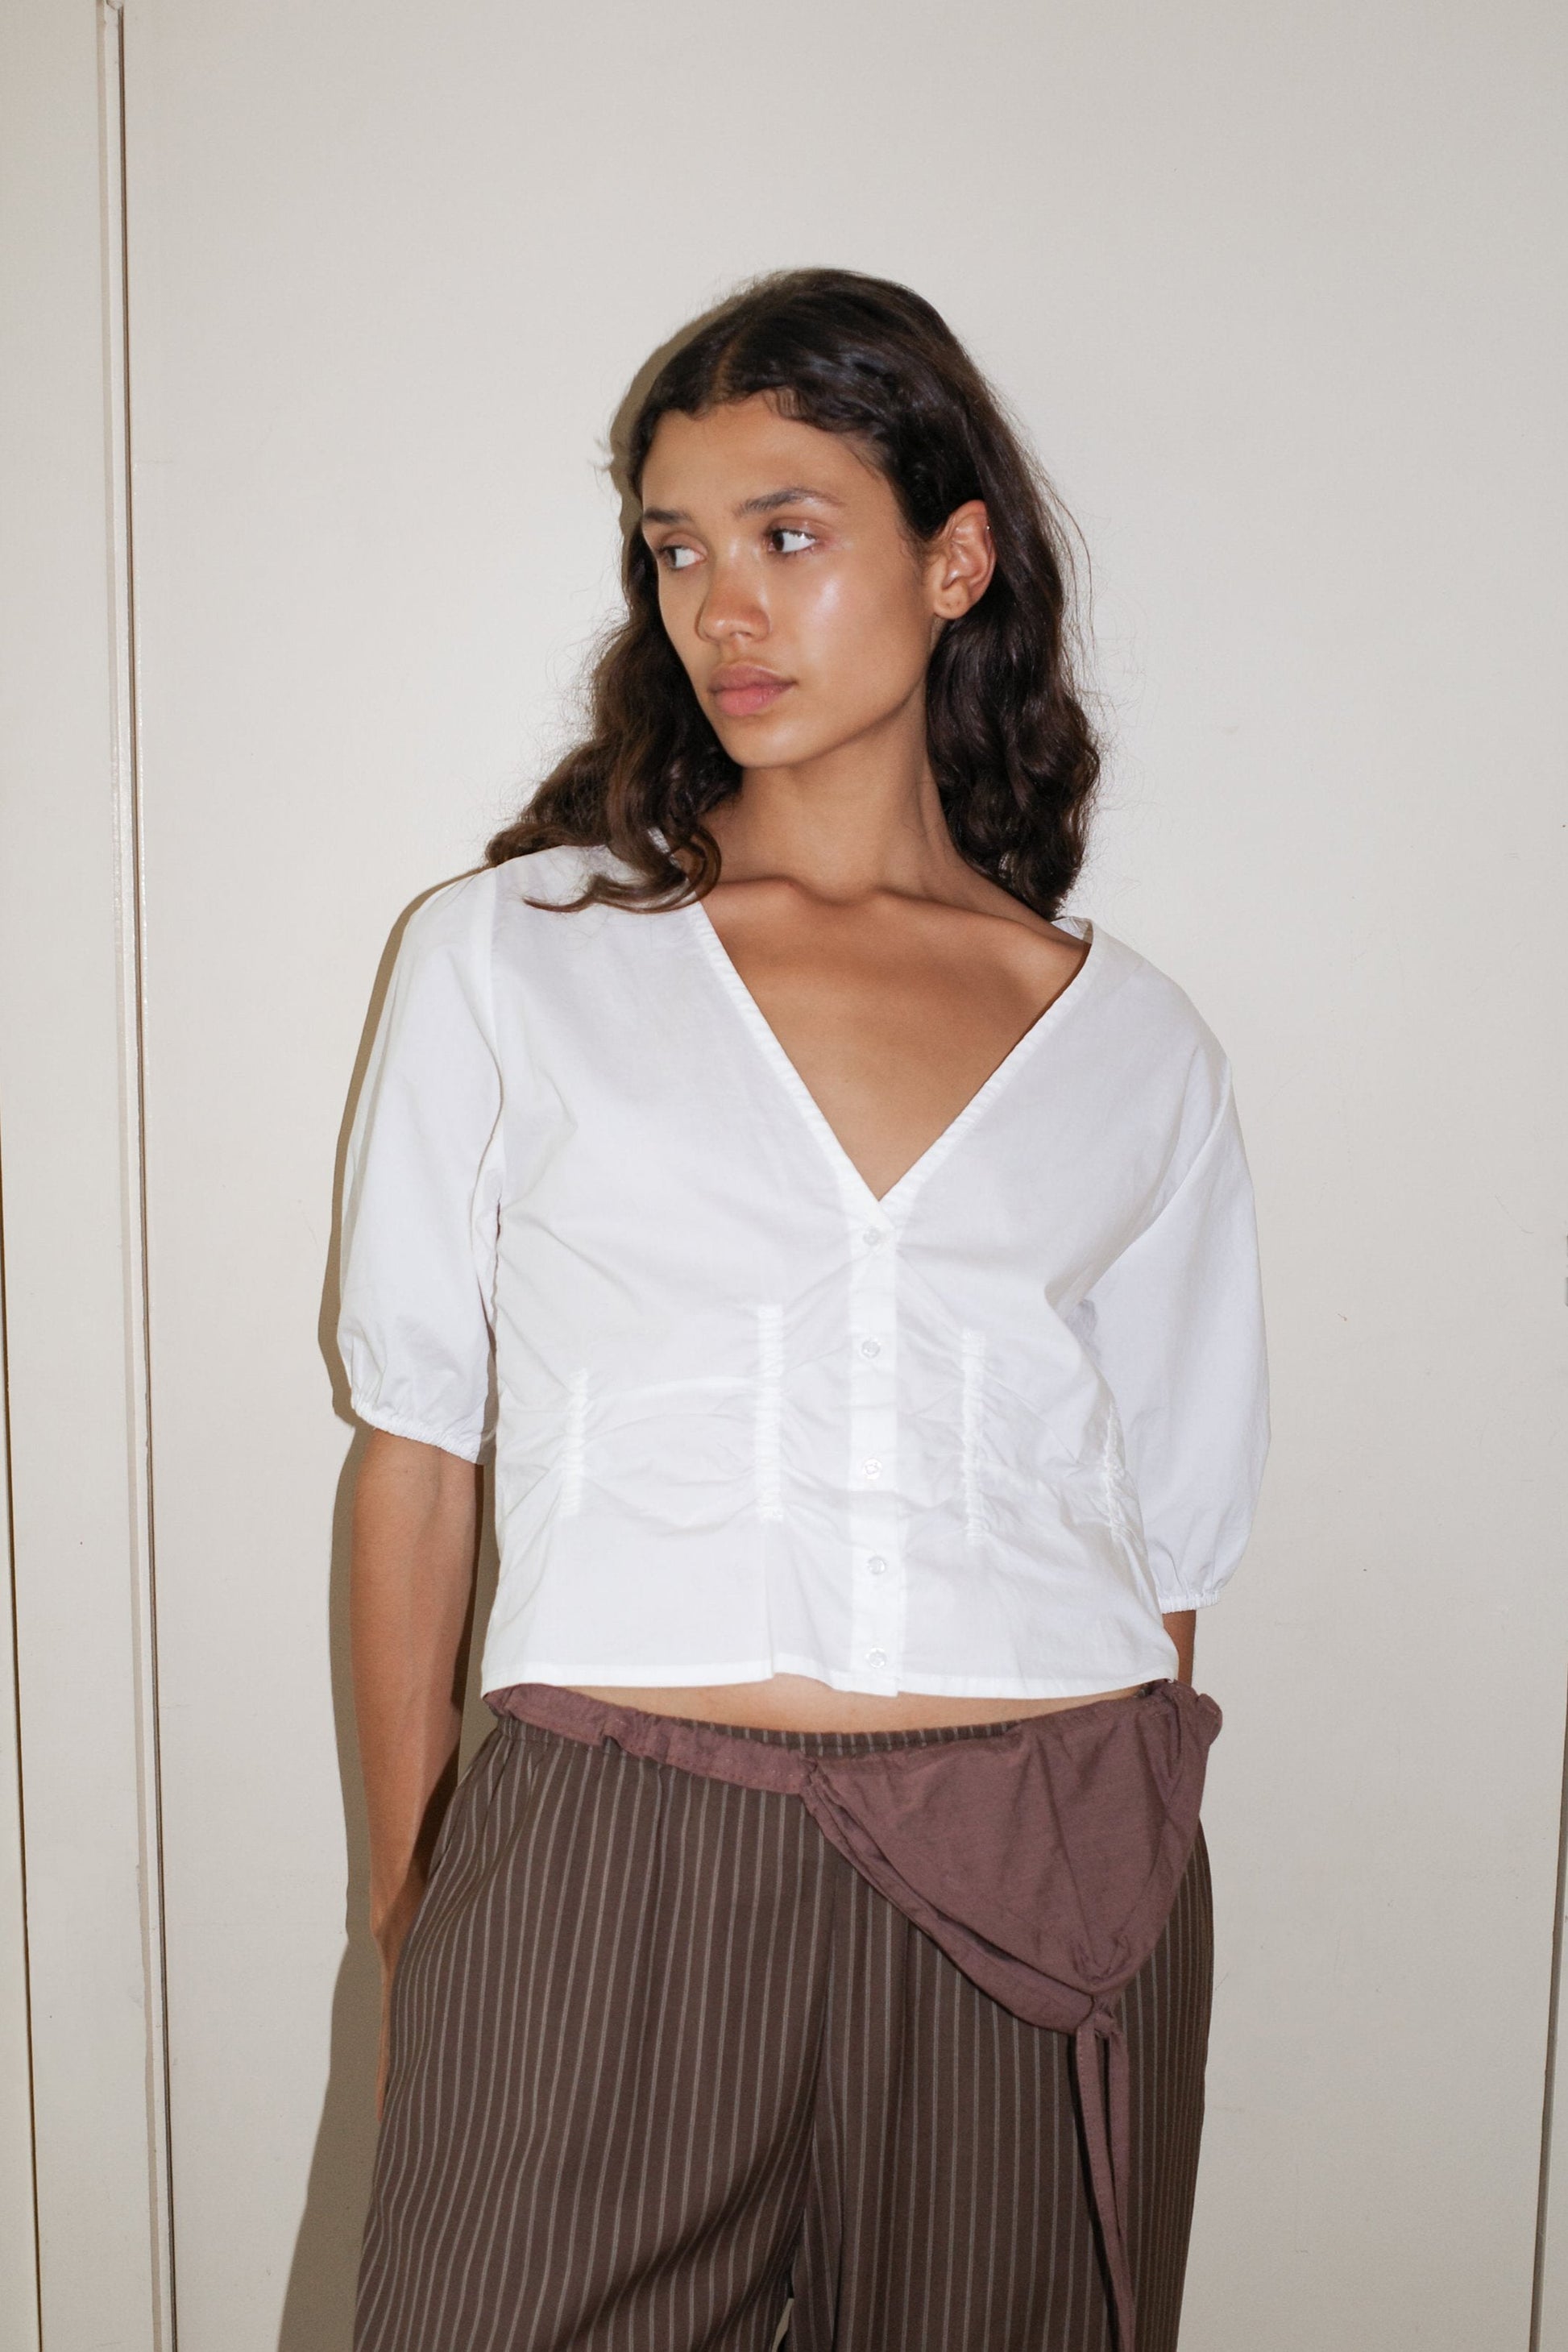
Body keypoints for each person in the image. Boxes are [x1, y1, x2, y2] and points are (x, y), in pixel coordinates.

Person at [338, 268, 1268, 2352]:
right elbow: (419, 1451)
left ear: (954, 560)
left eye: (785, 532)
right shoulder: (516, 955)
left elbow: (1174, 1543)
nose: (719, 609)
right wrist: (408, 1911)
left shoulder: (1128, 1044)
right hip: (607, 1848)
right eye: (674, 548)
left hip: (1036, 1874)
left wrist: (1118, 1876)